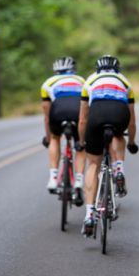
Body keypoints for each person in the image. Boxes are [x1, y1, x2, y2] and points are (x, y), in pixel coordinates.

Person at [77, 55, 138, 236]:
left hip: (96, 116)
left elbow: (82, 119)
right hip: (119, 114)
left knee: (93, 165)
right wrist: (132, 142)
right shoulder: (125, 82)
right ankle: (119, 168)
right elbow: (132, 121)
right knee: (119, 134)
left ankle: (89, 214)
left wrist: (81, 141)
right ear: (117, 69)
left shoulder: (89, 81)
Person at [40, 56, 86, 206]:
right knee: (80, 145)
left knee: (55, 138)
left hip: (58, 113)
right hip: (76, 112)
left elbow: (47, 116)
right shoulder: (82, 81)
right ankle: (79, 180)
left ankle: (53, 177)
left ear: (55, 71)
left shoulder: (48, 83)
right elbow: (87, 109)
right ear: (73, 70)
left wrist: (48, 137)